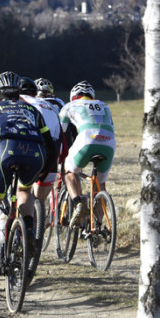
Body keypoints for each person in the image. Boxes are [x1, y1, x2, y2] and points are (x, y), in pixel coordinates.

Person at [0, 71, 56, 287]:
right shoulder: (31, 109)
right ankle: (28, 230)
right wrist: (47, 167)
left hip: (6, 149)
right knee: (24, 191)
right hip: (36, 152)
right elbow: (50, 142)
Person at [59, 81, 116, 229]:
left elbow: (60, 133)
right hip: (109, 142)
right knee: (100, 184)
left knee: (69, 170)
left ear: (74, 97)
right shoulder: (104, 105)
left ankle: (79, 204)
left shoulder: (69, 106)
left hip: (86, 139)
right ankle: (97, 225)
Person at [19, 76, 63, 206]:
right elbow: (63, 138)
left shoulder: (18, 103)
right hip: (53, 154)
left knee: (22, 191)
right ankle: (39, 225)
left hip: (30, 149)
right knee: (40, 202)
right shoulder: (52, 107)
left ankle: (12, 221)